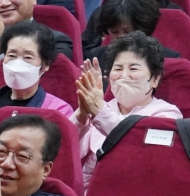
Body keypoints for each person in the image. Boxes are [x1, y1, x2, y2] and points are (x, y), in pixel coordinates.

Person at [0, 16, 72, 164]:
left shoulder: (59, 111)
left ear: (45, 65)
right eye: (12, 55)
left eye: (28, 57)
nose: (18, 63)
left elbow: (61, 165)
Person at [76, 32, 181, 184]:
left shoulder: (168, 114)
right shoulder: (99, 107)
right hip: (89, 193)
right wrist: (82, 114)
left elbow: (147, 154)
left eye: (134, 69)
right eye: (117, 69)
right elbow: (68, 153)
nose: (124, 76)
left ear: (155, 79)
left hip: (137, 193)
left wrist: (100, 113)